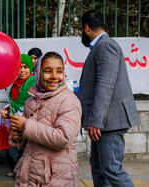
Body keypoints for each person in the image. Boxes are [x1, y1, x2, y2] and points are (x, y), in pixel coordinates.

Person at [77, 10, 141, 187]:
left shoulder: (105, 45)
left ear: (86, 28)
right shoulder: (101, 46)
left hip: (109, 121)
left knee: (112, 169)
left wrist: (96, 120)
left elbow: (105, 84)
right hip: (104, 122)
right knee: (98, 167)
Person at [9, 51, 82, 186]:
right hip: (30, 174)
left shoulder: (69, 102)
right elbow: (26, 141)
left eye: (59, 71)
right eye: (48, 71)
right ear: (37, 73)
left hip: (56, 177)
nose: (54, 76)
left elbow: (63, 138)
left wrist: (26, 126)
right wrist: (17, 134)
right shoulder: (31, 101)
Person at [0, 54, 36, 177]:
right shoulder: (15, 84)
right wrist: (8, 114)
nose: (22, 71)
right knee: (14, 151)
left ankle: (27, 175)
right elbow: (14, 105)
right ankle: (22, 173)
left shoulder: (34, 83)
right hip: (16, 123)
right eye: (19, 67)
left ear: (31, 69)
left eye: (25, 67)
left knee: (26, 151)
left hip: (30, 123)